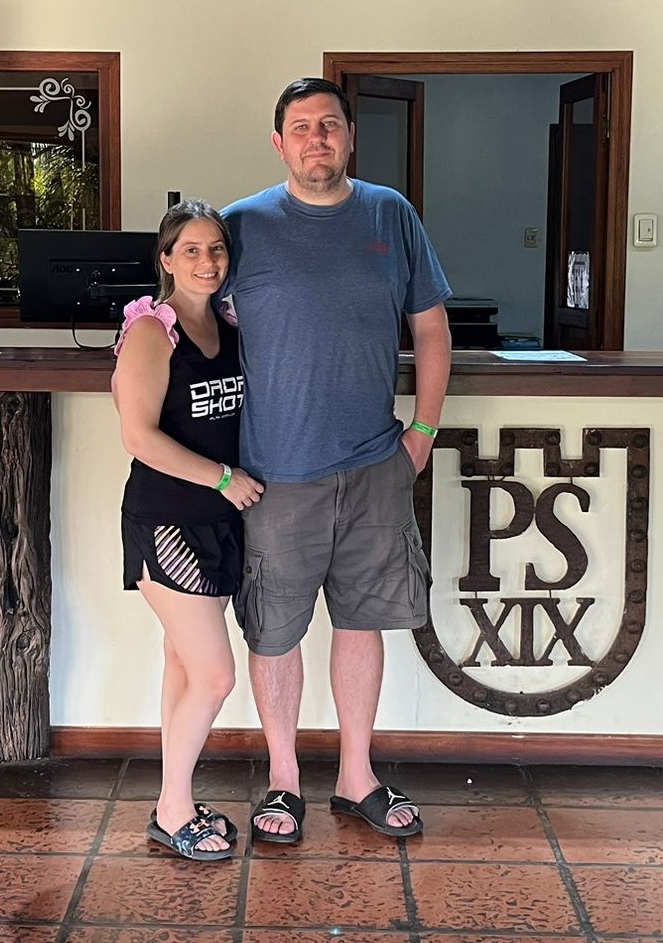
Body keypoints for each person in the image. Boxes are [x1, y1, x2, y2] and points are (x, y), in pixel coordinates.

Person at [218, 77, 452, 843]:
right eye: (300, 126)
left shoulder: (391, 214)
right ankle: (283, 781)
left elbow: (431, 329)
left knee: (361, 622)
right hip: (274, 473)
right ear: (277, 142)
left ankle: (357, 776)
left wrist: (421, 432)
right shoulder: (240, 226)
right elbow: (194, 329)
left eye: (328, 124)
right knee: (273, 631)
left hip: (375, 463)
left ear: (350, 136)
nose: (315, 137)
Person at [112, 199, 264, 861]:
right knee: (214, 675)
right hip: (167, 522)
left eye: (217, 249)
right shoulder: (152, 331)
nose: (208, 261)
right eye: (193, 250)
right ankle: (173, 809)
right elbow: (138, 437)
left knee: (183, 662)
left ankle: (172, 799)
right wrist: (223, 478)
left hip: (220, 524)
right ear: (167, 260)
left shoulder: (228, 325)